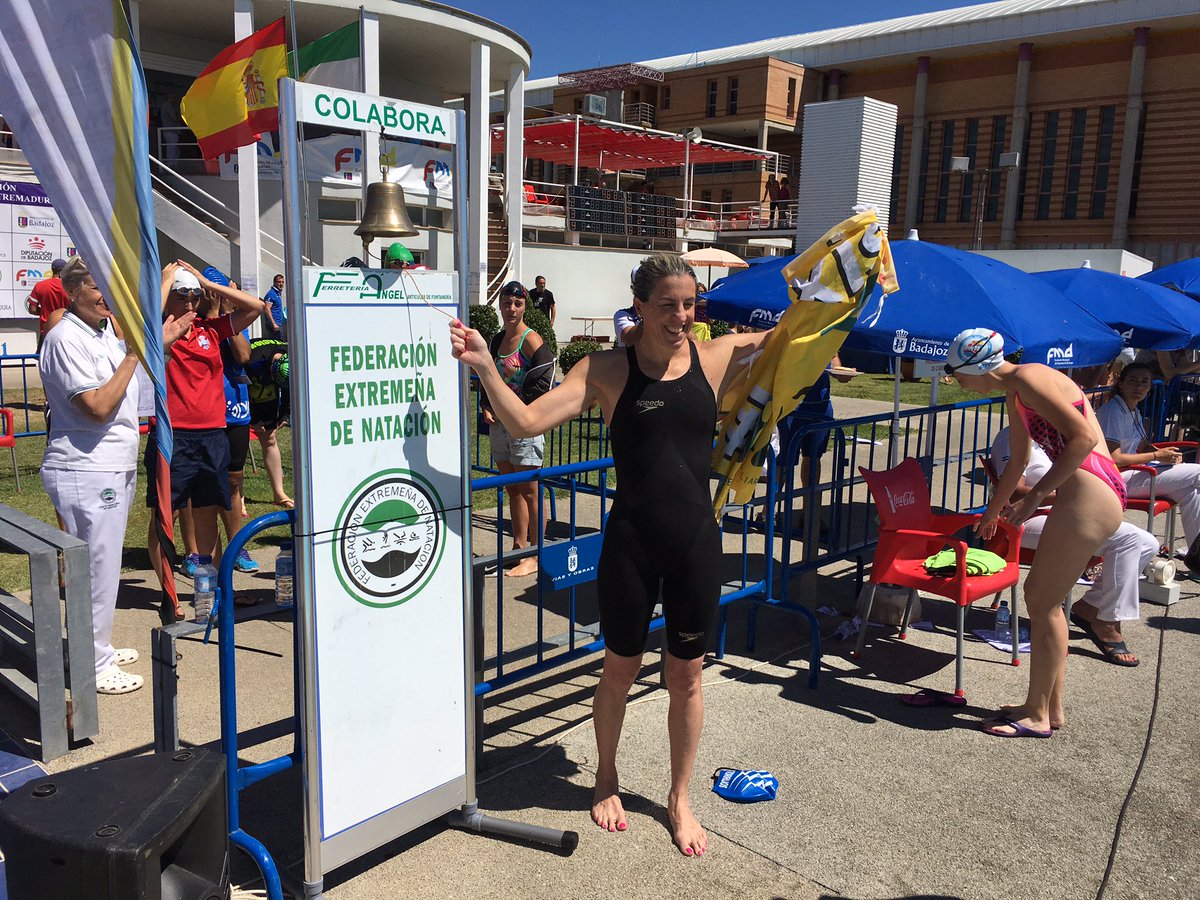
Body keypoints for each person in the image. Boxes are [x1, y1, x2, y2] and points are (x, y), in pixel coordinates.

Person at [451, 253, 773, 856]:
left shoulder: (716, 355)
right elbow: (523, 422)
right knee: (620, 671)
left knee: (687, 675)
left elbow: (794, 335)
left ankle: (679, 797)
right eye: (669, 305)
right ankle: (605, 775)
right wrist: (486, 366)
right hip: (630, 543)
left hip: (695, 543)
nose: (683, 315)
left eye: (690, 303)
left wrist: (845, 293)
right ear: (641, 306)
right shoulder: (606, 370)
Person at [946, 328, 1125, 739]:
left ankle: (1039, 716)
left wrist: (1035, 497)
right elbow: (1019, 460)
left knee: (1042, 602)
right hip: (1086, 488)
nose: (957, 382)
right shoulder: (1016, 389)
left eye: (956, 373)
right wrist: (992, 513)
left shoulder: (1029, 378)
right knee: (1046, 602)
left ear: (978, 366)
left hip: (1090, 489)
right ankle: (1046, 706)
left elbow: (1084, 437)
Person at [39, 258, 193, 693]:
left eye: (108, 286)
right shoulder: (66, 338)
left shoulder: (101, 330)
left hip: (109, 463)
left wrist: (155, 344)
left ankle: (97, 646)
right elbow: (99, 405)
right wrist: (133, 353)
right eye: (95, 287)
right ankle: (94, 664)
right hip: (86, 466)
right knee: (98, 566)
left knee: (102, 566)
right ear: (71, 292)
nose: (105, 295)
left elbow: (127, 374)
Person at [146, 262, 266, 618]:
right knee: (163, 518)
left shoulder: (210, 330)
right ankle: (168, 592)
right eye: (183, 296)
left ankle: (208, 590)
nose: (191, 302)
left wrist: (201, 281)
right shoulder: (155, 332)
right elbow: (143, 315)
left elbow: (256, 307)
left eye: (195, 297)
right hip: (173, 437)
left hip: (212, 435)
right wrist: (167, 283)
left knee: (207, 514)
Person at [990, 426, 1157, 669]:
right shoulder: (1012, 437)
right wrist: (1069, 494)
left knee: (1148, 543)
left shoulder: (1055, 436)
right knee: (1129, 539)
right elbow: (1015, 494)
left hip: (1064, 512)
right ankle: (1107, 623)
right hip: (1025, 519)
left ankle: (1091, 606)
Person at [481, 281, 555, 577]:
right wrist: (488, 404)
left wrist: (518, 407)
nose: (511, 309)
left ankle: (536, 554)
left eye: (517, 304)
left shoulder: (530, 339)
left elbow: (544, 376)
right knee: (512, 488)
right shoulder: (497, 340)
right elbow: (488, 375)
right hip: (500, 425)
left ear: (525, 306)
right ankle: (519, 547)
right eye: (507, 303)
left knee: (531, 490)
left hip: (524, 424)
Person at [1095, 362, 1200, 571]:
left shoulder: (1132, 411)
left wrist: (1165, 453)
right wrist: (1156, 455)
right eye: (1133, 381)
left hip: (1137, 471)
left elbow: (1141, 444)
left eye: (1144, 382)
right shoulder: (1113, 411)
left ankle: (1196, 557)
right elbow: (1113, 458)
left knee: (1191, 492)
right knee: (1197, 473)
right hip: (1115, 478)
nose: (1139, 387)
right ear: (1121, 383)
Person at [245, 335, 294, 509]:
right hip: (247, 385)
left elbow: (288, 387)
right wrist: (252, 417)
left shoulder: (291, 355)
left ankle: (278, 493)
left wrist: (284, 415)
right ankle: (238, 499)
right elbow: (241, 387)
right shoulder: (252, 360)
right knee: (240, 439)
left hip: (267, 388)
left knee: (270, 438)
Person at [25, 258, 70, 349]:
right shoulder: (69, 286)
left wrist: (46, 312)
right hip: (66, 328)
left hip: (46, 329)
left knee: (44, 360)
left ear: (52, 270)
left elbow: (32, 309)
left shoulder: (40, 285)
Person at [262, 273, 285, 340]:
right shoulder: (271, 294)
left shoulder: (277, 294)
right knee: (278, 344)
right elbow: (267, 309)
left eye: (282, 282)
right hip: (274, 324)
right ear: (274, 282)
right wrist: (274, 324)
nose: (281, 284)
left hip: (278, 323)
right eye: (279, 282)